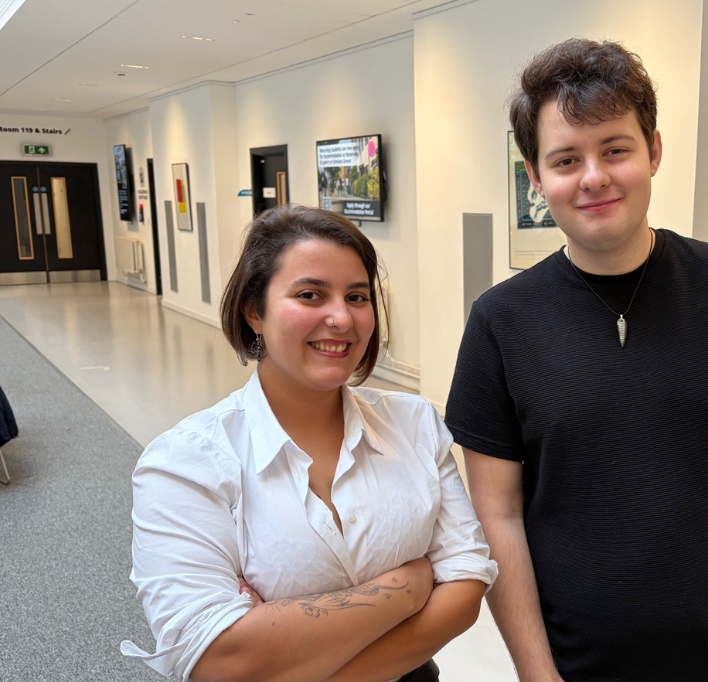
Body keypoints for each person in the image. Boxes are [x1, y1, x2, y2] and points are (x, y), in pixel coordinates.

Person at [445, 39, 708, 682]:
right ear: (534, 176)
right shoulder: (500, 323)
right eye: (566, 159)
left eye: (615, 148)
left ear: (654, 150)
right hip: (573, 666)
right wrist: (538, 675)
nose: (594, 177)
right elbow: (496, 515)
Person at [121, 205, 497, 682]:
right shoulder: (185, 463)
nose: (341, 318)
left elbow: (465, 586)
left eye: (357, 297)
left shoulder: (414, 423)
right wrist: (411, 583)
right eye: (310, 294)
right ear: (253, 310)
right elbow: (216, 660)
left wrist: (280, 643)